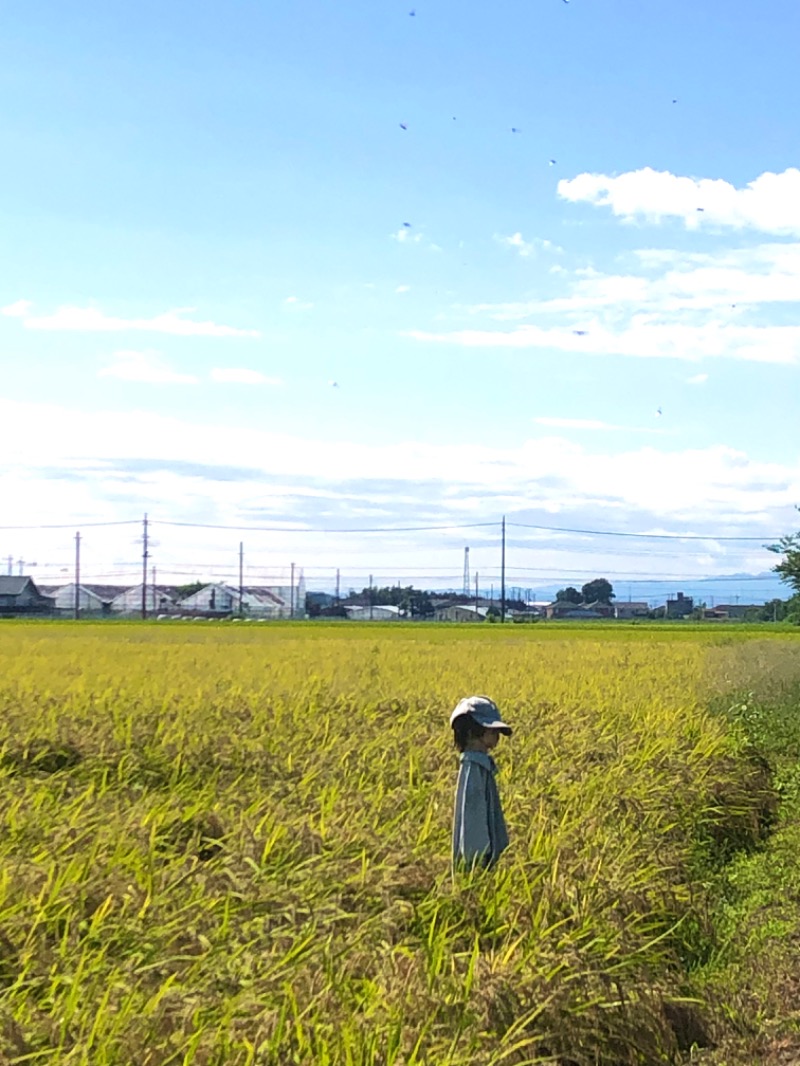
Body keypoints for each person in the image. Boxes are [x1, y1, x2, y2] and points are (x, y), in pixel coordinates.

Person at [450, 695, 512, 871]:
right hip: (478, 863)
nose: (497, 738)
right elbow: (473, 816)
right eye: (492, 732)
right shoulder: (473, 767)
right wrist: (478, 859)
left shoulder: (481, 764)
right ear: (471, 732)